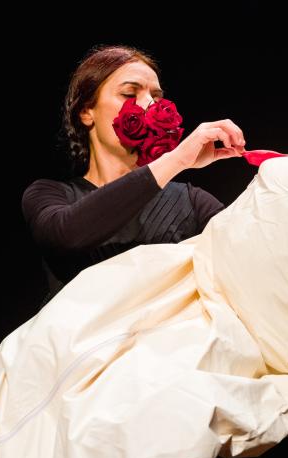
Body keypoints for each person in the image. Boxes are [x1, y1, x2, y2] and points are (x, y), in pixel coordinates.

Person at [21, 44, 247, 308]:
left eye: (156, 97)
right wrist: (176, 160)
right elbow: (66, 235)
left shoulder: (191, 202)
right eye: (129, 93)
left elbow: (247, 258)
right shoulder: (48, 193)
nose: (149, 104)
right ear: (86, 111)